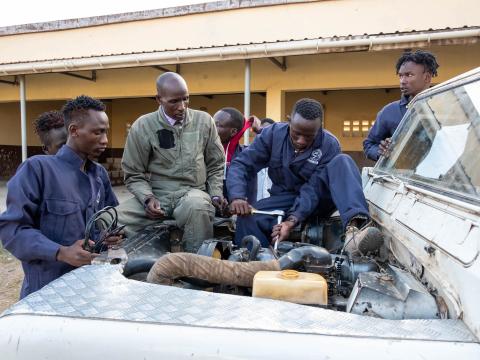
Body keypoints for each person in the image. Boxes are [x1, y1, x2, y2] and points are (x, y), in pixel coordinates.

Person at [0, 95, 120, 298]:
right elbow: (12, 230)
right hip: (46, 293)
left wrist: (109, 237)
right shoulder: (37, 169)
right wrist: (61, 252)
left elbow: (105, 221)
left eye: (105, 132)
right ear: (74, 130)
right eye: (97, 132)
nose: (105, 140)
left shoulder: (99, 174)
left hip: (92, 286)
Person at [227, 98, 374, 249]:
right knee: (248, 218)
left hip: (320, 199)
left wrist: (291, 221)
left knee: (343, 161)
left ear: (319, 128)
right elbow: (242, 164)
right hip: (285, 198)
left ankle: (354, 232)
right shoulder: (272, 135)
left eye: (309, 136)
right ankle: (257, 261)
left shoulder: (329, 145)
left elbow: (313, 189)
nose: (301, 141)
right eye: (296, 134)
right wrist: (237, 196)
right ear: (289, 121)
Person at [117, 72, 225, 253]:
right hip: (157, 195)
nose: (182, 107)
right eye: (174, 101)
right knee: (108, 219)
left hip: (192, 193)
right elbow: (134, 173)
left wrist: (215, 194)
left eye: (186, 99)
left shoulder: (204, 121)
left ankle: (196, 271)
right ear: (159, 99)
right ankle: (128, 264)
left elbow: (216, 164)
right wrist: (147, 199)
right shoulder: (143, 126)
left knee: (198, 209)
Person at [363, 50, 439, 161]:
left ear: (427, 77)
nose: (403, 81)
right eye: (400, 76)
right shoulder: (389, 111)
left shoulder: (445, 105)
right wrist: (381, 152)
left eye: (409, 75)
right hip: (400, 176)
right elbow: (369, 144)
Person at [213, 107, 256, 203]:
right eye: (212, 123)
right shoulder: (202, 150)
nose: (212, 128)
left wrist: (260, 130)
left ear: (233, 132)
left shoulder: (244, 156)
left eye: (217, 125)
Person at [255, 118, 275, 201]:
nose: (266, 135)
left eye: (269, 132)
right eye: (262, 131)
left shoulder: (281, 158)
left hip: (275, 206)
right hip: (254, 207)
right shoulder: (251, 158)